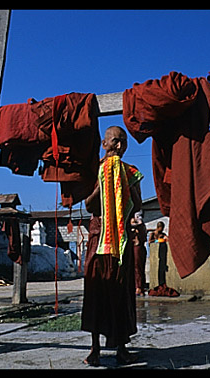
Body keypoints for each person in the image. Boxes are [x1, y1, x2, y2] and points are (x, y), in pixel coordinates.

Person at [81, 126, 143, 366]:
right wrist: (103, 184)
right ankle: (94, 349)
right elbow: (88, 205)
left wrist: (122, 184)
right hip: (98, 239)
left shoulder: (132, 172)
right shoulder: (93, 170)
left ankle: (121, 348)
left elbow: (136, 205)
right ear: (104, 144)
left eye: (123, 142)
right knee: (96, 291)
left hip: (122, 240)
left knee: (121, 291)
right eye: (115, 141)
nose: (119, 146)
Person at [131, 212, 148, 296]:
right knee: (137, 268)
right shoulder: (140, 226)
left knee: (137, 268)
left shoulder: (139, 225)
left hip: (138, 248)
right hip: (138, 248)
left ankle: (139, 287)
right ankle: (139, 286)